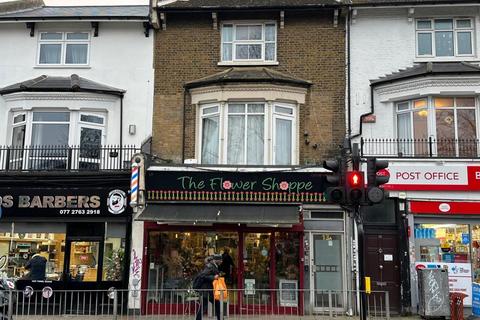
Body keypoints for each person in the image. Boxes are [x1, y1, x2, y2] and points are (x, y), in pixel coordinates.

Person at [195, 254, 222, 320]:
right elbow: (203, 276)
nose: (221, 261)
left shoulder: (214, 266)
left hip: (210, 290)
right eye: (220, 260)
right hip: (207, 290)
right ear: (217, 260)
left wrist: (218, 274)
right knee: (205, 306)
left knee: (215, 304)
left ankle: (220, 318)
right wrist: (214, 277)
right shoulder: (210, 266)